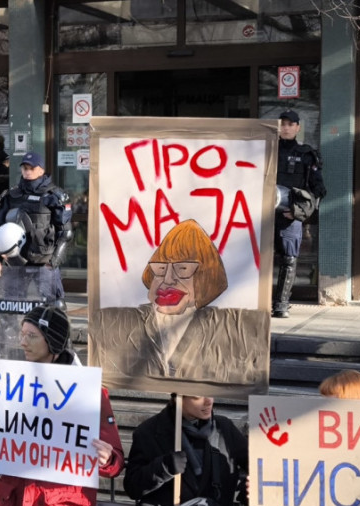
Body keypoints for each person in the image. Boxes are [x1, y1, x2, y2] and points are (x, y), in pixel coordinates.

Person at [0, 306, 125, 506]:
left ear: (53, 342)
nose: (23, 342)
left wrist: (106, 459)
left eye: (31, 336)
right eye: (21, 334)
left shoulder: (88, 391)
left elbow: (116, 460)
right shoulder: (10, 384)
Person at [90, 219, 270, 387]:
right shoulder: (114, 323)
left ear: (205, 277)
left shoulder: (235, 330)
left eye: (182, 269)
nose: (167, 279)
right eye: (160, 269)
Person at [123, 395, 248, 506]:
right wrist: (164, 468)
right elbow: (132, 486)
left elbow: (260, 471)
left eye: (211, 393)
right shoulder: (149, 431)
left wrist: (250, 491)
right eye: (198, 396)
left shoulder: (225, 429)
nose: (208, 401)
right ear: (178, 397)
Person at [0, 151, 73, 306]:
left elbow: (65, 233)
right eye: (24, 168)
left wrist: (53, 261)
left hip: (44, 261)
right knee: (9, 308)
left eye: (31, 168)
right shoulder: (12, 196)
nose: (27, 171)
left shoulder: (53, 196)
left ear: (41, 170)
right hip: (15, 261)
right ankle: (14, 331)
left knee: (53, 307)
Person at [273, 110, 326, 318]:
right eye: (282, 123)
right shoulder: (266, 150)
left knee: (288, 259)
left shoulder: (306, 155)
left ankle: (281, 304)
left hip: (289, 216)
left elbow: (319, 190)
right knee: (259, 258)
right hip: (263, 215)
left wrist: (298, 213)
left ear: (297, 127)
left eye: (290, 124)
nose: (285, 127)